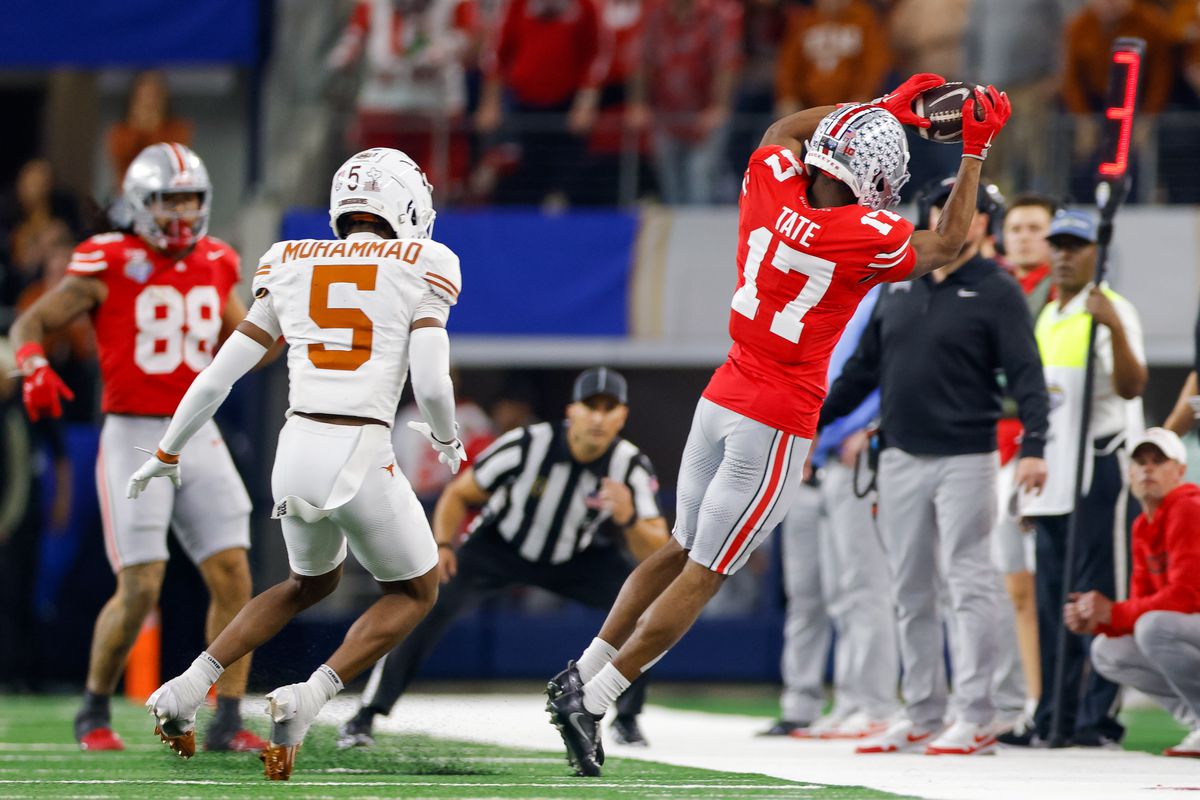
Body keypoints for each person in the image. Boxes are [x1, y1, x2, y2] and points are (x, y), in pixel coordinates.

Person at [544, 73, 1014, 777]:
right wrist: (973, 149)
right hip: (774, 414)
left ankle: (579, 672)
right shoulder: (862, 231)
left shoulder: (774, 185)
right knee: (706, 573)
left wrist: (874, 111)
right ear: (870, 178)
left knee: (677, 549)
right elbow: (947, 243)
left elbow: (781, 131)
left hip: (723, 389)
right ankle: (600, 696)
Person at [132, 147, 465, 781]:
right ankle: (308, 696)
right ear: (408, 205)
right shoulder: (426, 263)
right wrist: (447, 439)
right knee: (417, 591)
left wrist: (169, 449)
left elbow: (217, 375)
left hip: (296, 448)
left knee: (305, 584)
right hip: (361, 449)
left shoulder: (288, 260)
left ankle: (183, 687)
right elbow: (433, 379)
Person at [9, 143, 263, 753]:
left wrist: (293, 326)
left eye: (190, 199)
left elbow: (251, 336)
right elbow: (31, 323)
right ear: (141, 203)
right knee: (141, 585)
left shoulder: (218, 260)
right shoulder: (108, 258)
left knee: (233, 574)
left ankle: (226, 718)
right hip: (132, 432)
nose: (181, 212)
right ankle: (93, 705)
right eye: (169, 199)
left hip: (198, 428)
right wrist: (32, 364)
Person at [822, 174, 1050, 756]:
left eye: (973, 211)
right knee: (910, 586)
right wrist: (811, 420)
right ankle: (923, 711)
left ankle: (978, 713)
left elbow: (1028, 377)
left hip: (967, 457)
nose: (962, 219)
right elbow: (860, 373)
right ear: (928, 219)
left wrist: (1035, 446)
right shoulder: (897, 284)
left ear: (985, 225)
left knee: (969, 580)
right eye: (948, 209)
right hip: (899, 454)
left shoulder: (997, 290)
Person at [337, 366, 668, 750]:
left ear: (622, 416)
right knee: (425, 607)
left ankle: (626, 717)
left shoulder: (629, 465)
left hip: (574, 555)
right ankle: (366, 714)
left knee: (646, 606)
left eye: (609, 407)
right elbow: (459, 494)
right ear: (571, 410)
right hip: (498, 547)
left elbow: (657, 551)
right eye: (590, 406)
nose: (598, 417)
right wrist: (444, 545)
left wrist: (628, 517)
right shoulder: (528, 443)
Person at [1008, 208, 1148, 748]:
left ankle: (1097, 717)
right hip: (1053, 473)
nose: (1064, 255)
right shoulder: (1047, 313)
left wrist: (1110, 324)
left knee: (1097, 595)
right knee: (1050, 601)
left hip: (1099, 466)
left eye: (1076, 246)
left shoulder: (1112, 310)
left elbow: (1133, 387)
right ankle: (1054, 716)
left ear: (1096, 253)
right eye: (1058, 246)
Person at [762, 285, 898, 739]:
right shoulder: (809, 300)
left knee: (861, 589)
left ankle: (870, 702)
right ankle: (806, 703)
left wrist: (875, 427)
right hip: (806, 456)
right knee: (808, 593)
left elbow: (884, 372)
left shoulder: (884, 295)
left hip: (849, 453)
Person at [1071, 428, 1200, 758]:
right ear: (1128, 473)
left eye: (1158, 461)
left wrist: (1113, 612)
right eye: (1140, 462)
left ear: (1180, 471)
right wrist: (1100, 623)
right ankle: (1197, 723)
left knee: (1153, 628)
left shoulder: (1189, 508)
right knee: (1106, 650)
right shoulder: (1143, 524)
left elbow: (1186, 597)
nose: (1147, 469)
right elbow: (1141, 601)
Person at [990, 191, 1059, 735]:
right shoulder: (993, 286)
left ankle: (1042, 700)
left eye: (1035, 227)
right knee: (1000, 584)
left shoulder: (1065, 294)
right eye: (1016, 227)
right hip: (988, 443)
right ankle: (1013, 699)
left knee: (1034, 585)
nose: (1024, 236)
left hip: (1036, 447)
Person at [106, 73, 193, 190]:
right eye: (145, 97)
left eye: (154, 97)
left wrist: (154, 127)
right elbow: (123, 165)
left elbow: (172, 163)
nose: (149, 103)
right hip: (129, 197)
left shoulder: (178, 130)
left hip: (166, 198)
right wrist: (138, 127)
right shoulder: (120, 133)